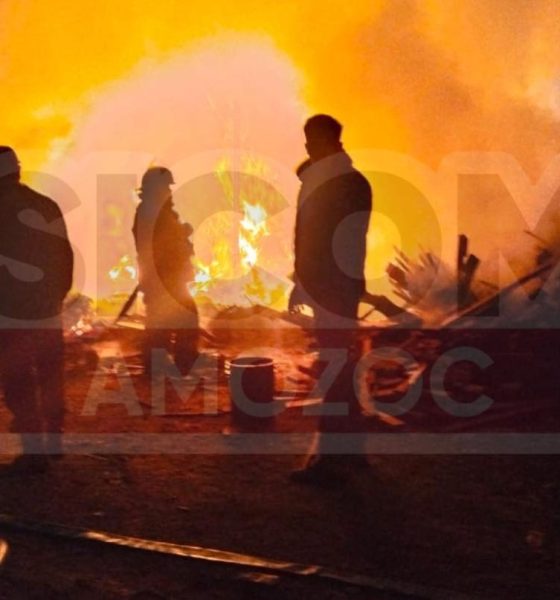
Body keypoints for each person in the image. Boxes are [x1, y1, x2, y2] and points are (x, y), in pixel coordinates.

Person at [288, 115, 373, 487]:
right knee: (342, 364)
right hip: (341, 288)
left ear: (327, 142)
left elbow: (315, 241)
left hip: (330, 288)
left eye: (311, 141)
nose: (307, 147)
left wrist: (304, 285)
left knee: (334, 369)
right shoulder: (354, 182)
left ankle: (328, 459)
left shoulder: (332, 184)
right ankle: (352, 451)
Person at [0, 146, 73, 475]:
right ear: (17, 170)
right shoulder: (46, 204)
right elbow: (64, 257)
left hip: (10, 312)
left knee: (19, 381)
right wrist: (56, 297)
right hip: (46, 308)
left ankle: (35, 454)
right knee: (49, 375)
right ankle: (54, 440)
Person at [132, 166, 199, 376]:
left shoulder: (159, 211)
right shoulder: (151, 212)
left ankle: (162, 366)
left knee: (164, 322)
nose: (169, 191)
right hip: (163, 277)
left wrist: (182, 232)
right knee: (177, 320)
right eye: (166, 187)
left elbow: (169, 238)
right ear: (155, 188)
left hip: (168, 277)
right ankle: (178, 365)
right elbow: (158, 244)